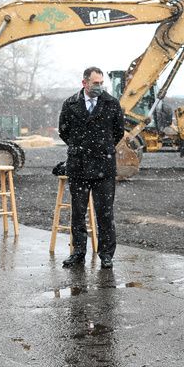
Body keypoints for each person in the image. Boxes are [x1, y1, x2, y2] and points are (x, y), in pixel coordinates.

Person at [58, 66, 125, 269]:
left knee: (104, 213)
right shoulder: (70, 104)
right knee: (78, 213)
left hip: (103, 166)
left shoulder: (111, 103)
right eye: (95, 83)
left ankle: (106, 254)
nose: (99, 87)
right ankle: (78, 252)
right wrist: (80, 147)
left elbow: (118, 132)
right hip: (78, 165)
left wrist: (101, 147)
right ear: (84, 83)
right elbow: (64, 131)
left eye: (101, 83)